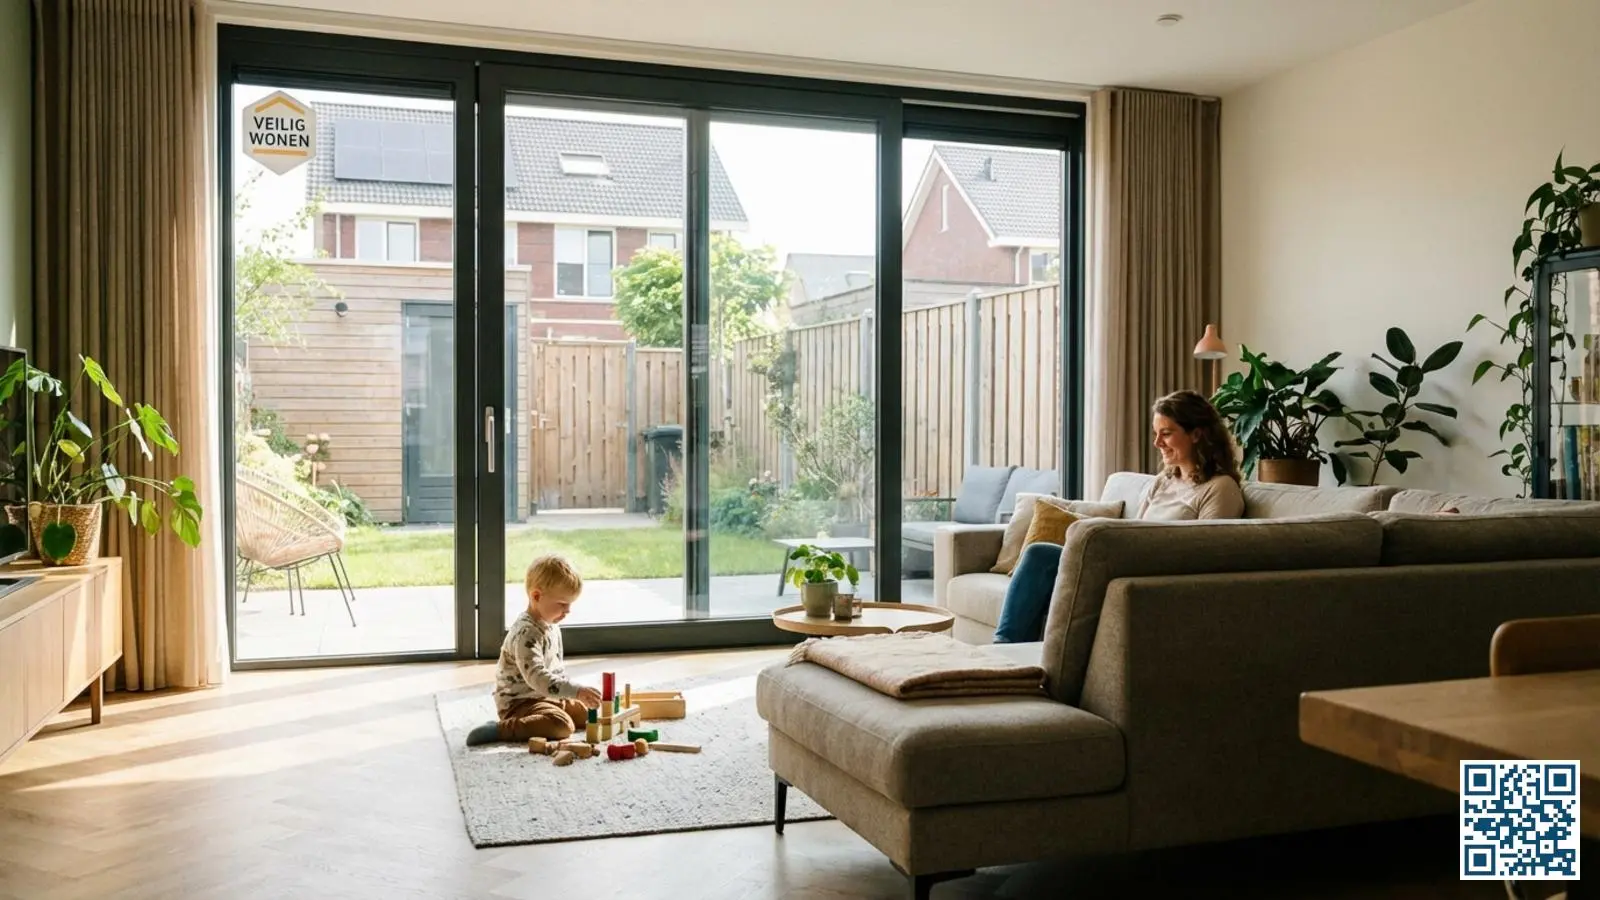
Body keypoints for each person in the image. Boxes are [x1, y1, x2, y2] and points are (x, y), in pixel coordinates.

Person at [991, 390, 1245, 643]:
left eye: (1166, 433)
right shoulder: (1164, 481)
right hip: (1127, 560)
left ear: (1197, 434)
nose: (1157, 443)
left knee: (1043, 557)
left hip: (1151, 573)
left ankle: (1006, 655)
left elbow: (1209, 554)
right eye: (1156, 434)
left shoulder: (1220, 488)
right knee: (1039, 554)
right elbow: (1135, 528)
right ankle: (1004, 652)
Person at [465, 554, 603, 746]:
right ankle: (502, 728)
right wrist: (576, 691)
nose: (568, 611)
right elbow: (538, 678)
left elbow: (554, 671)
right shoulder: (526, 634)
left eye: (570, 605)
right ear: (536, 596)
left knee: (592, 712)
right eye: (562, 604)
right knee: (562, 726)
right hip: (521, 703)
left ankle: (555, 710)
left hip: (548, 695)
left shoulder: (550, 624)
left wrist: (574, 694)